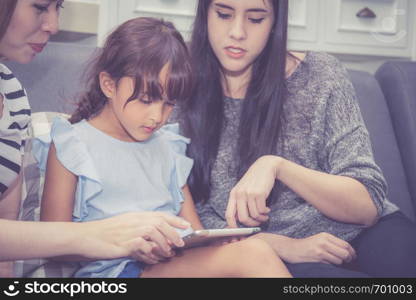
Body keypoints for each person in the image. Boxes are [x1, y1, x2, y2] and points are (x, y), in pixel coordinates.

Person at [171, 0, 416, 277]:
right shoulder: (175, 86)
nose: (237, 32)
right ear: (205, 13)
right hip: (271, 255)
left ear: (275, 22)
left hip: (370, 233)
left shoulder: (321, 75)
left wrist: (277, 166)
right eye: (224, 14)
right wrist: (277, 245)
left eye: (255, 19)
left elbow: (367, 207)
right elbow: (187, 223)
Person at [35, 16, 291, 278]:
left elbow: (192, 229)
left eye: (169, 104)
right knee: (253, 256)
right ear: (109, 84)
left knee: (252, 248)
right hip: (117, 271)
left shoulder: (168, 146)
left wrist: (215, 242)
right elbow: (55, 243)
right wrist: (126, 244)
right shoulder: (72, 143)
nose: (157, 117)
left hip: (172, 264)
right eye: (146, 100)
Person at [0, 0, 191, 277]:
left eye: (59, 8)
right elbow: (55, 235)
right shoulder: (73, 143)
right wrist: (113, 238)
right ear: (108, 85)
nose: (54, 25)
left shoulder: (13, 95)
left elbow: (7, 223)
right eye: (40, 7)